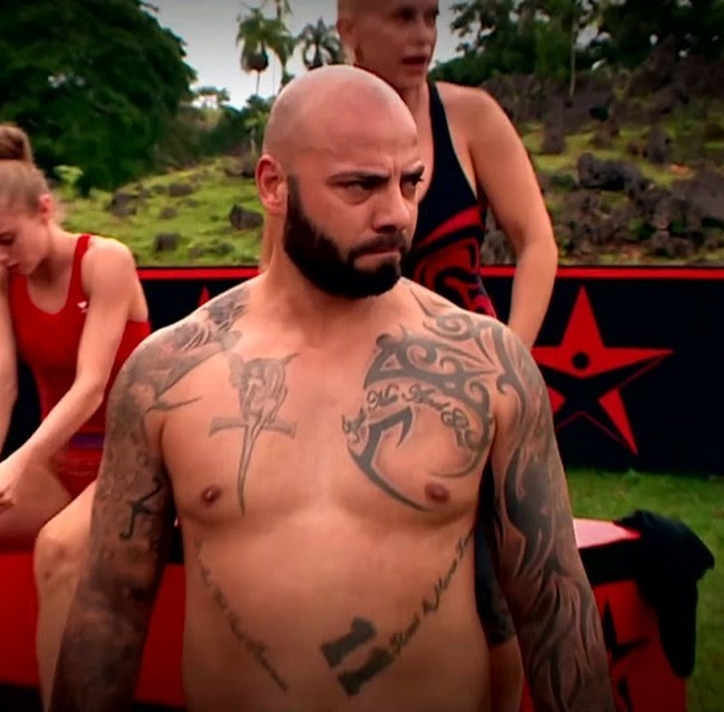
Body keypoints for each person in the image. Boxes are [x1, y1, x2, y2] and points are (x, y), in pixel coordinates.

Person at [50, 65, 614, 712]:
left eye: (410, 183)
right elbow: (110, 606)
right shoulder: (168, 375)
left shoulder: (487, 365)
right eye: (360, 186)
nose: (396, 214)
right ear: (273, 185)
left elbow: (553, 604)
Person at [329, 3, 563, 708]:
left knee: (495, 600)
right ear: (349, 25)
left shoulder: (471, 117)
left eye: (431, 16)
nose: (424, 35)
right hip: (360, 402)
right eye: (403, 16)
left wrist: (510, 362)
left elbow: (537, 243)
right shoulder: (316, 129)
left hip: (471, 400)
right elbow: (279, 273)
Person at [0, 122, 152, 702]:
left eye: (6, 239)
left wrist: (17, 462)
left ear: (44, 210)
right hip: (63, 464)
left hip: (134, 462)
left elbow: (91, 386)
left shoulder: (106, 260)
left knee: (59, 549)